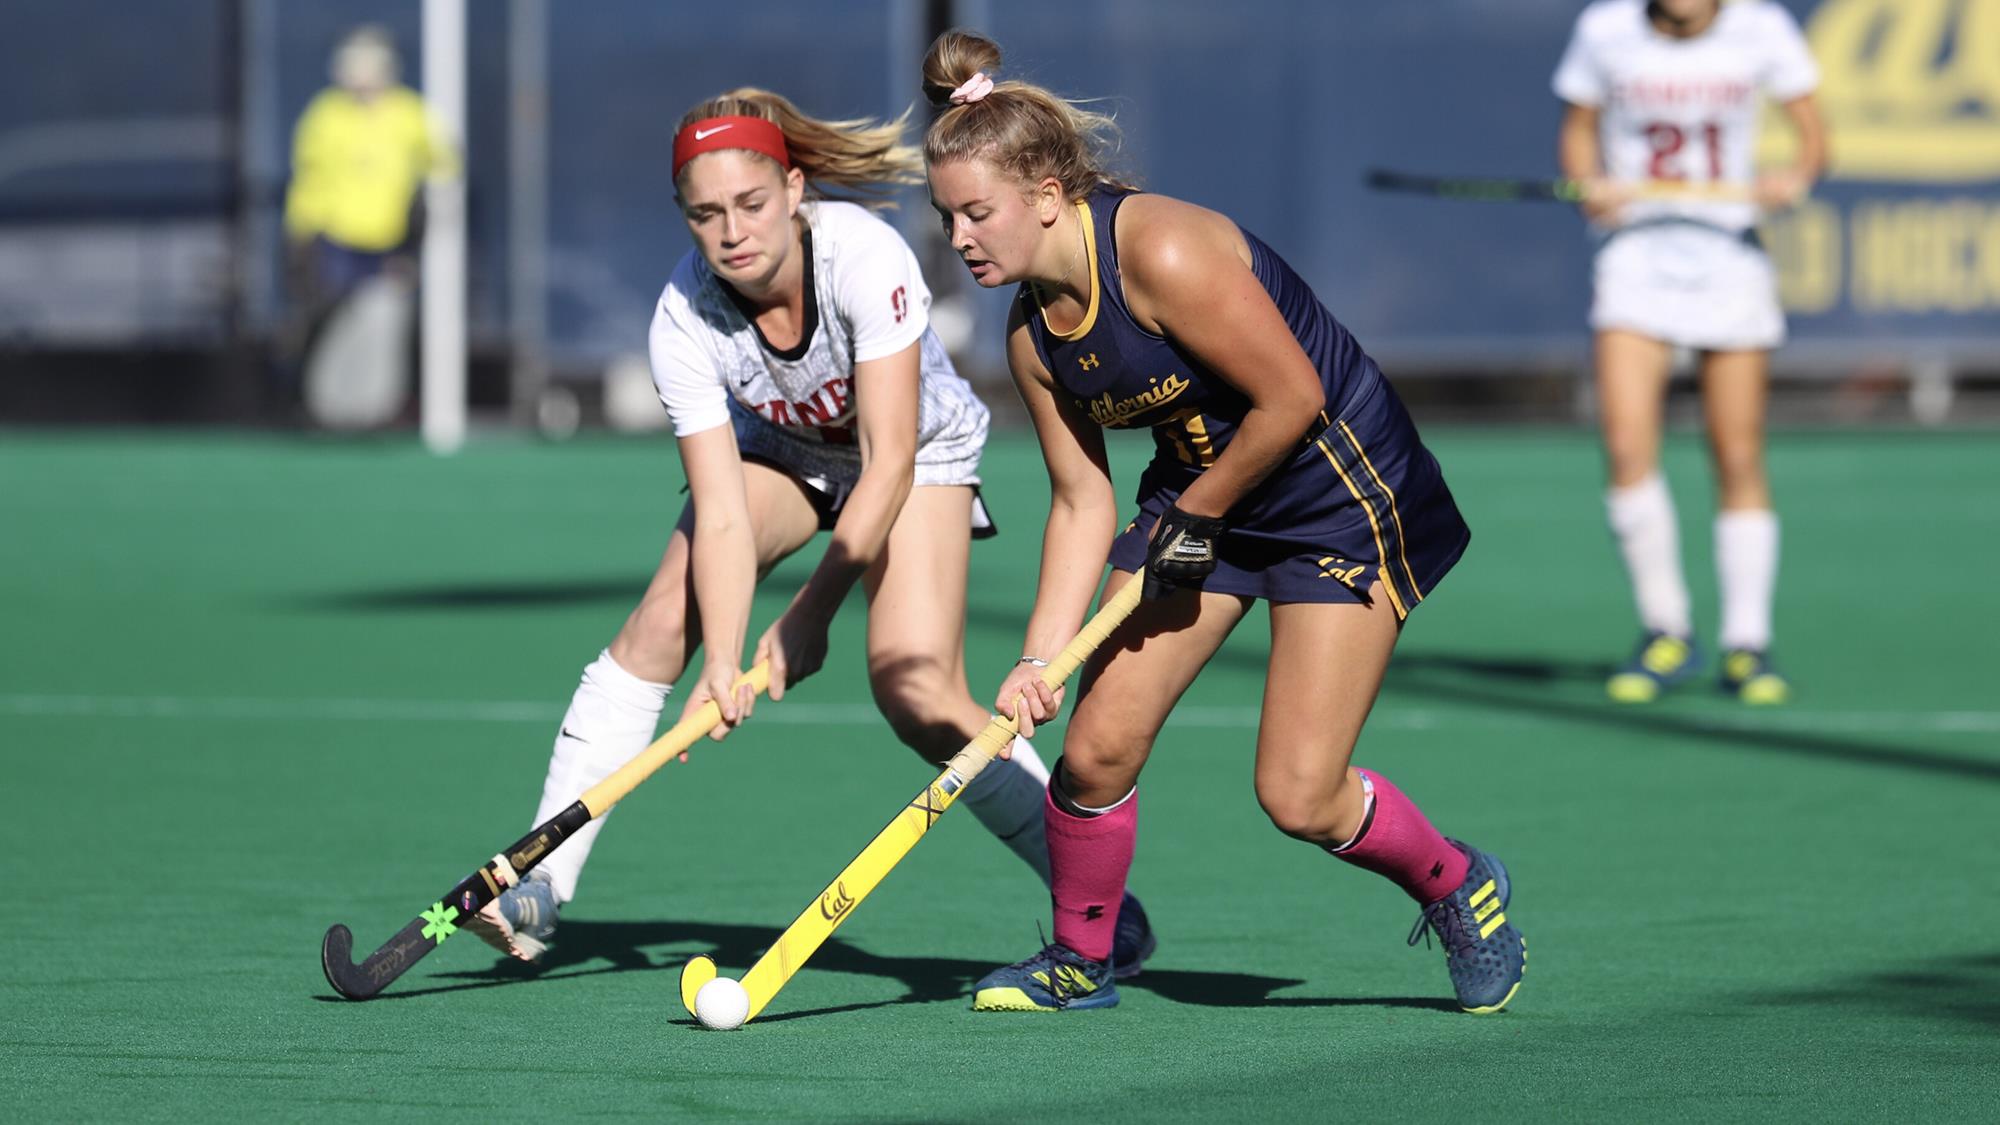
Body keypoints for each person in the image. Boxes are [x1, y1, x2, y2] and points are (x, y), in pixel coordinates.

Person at [468, 88, 1155, 976]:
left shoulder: (862, 257)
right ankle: (539, 884)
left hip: (916, 451)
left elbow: (889, 461)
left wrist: (809, 614)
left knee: (916, 690)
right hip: (785, 450)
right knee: (659, 624)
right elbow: (720, 509)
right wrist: (724, 659)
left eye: (751, 204)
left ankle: (1093, 900)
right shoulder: (683, 316)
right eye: (705, 214)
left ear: (793, 190)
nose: (732, 233)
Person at [919, 31, 1525, 1015]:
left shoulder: (1162, 252)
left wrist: (1194, 515)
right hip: (1203, 498)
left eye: (975, 213)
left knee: (1299, 793)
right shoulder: (1032, 336)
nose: (959, 238)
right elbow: (1080, 499)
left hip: (1336, 492)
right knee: (1093, 750)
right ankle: (1080, 959)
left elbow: (1292, 397)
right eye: (946, 217)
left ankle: (1457, 884)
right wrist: (1038, 657)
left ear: (1046, 194)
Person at [1553, 0, 1825, 704]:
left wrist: (1791, 178)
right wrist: (1590, 185)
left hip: (1729, 261)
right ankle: (1665, 630)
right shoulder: (1605, 29)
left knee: (1736, 455)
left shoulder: (1762, 27)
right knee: (1626, 448)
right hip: (1636, 261)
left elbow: (1811, 137)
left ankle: (1747, 643)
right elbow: (1578, 130)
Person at [282, 25, 457, 428]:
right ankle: (327, 408)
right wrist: (300, 234)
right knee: (333, 325)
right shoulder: (326, 114)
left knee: (385, 320)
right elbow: (308, 178)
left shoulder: (409, 112)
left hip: (390, 243)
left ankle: (372, 409)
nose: (361, 74)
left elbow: (444, 161)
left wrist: (425, 218)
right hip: (336, 242)